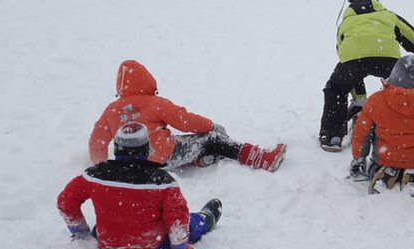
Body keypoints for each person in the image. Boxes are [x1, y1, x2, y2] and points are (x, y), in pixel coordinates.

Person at [58, 122, 222, 249]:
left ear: (117, 147)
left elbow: (65, 201)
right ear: (145, 148)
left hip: (108, 245)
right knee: (191, 223)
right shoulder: (162, 181)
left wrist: (81, 232)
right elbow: (177, 218)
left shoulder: (94, 176)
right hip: (154, 246)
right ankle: (207, 218)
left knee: (108, 224)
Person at [89, 60, 286, 172]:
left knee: (190, 143)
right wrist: (210, 125)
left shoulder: (112, 109)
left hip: (133, 164)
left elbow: (97, 142)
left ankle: (202, 159)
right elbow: (185, 121)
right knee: (212, 138)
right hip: (164, 157)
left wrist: (101, 166)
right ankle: (261, 159)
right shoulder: (155, 103)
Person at [319, 0, 414, 152]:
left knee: (336, 88)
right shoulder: (388, 15)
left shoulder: (346, 22)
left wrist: (359, 97)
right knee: (403, 90)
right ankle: (413, 130)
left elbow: (343, 54)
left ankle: (332, 135)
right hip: (387, 59)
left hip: (353, 60)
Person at [350, 55, 414, 197]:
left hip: (383, 158)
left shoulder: (376, 100)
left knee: (377, 166)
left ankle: (386, 171)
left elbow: (362, 134)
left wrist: (358, 158)